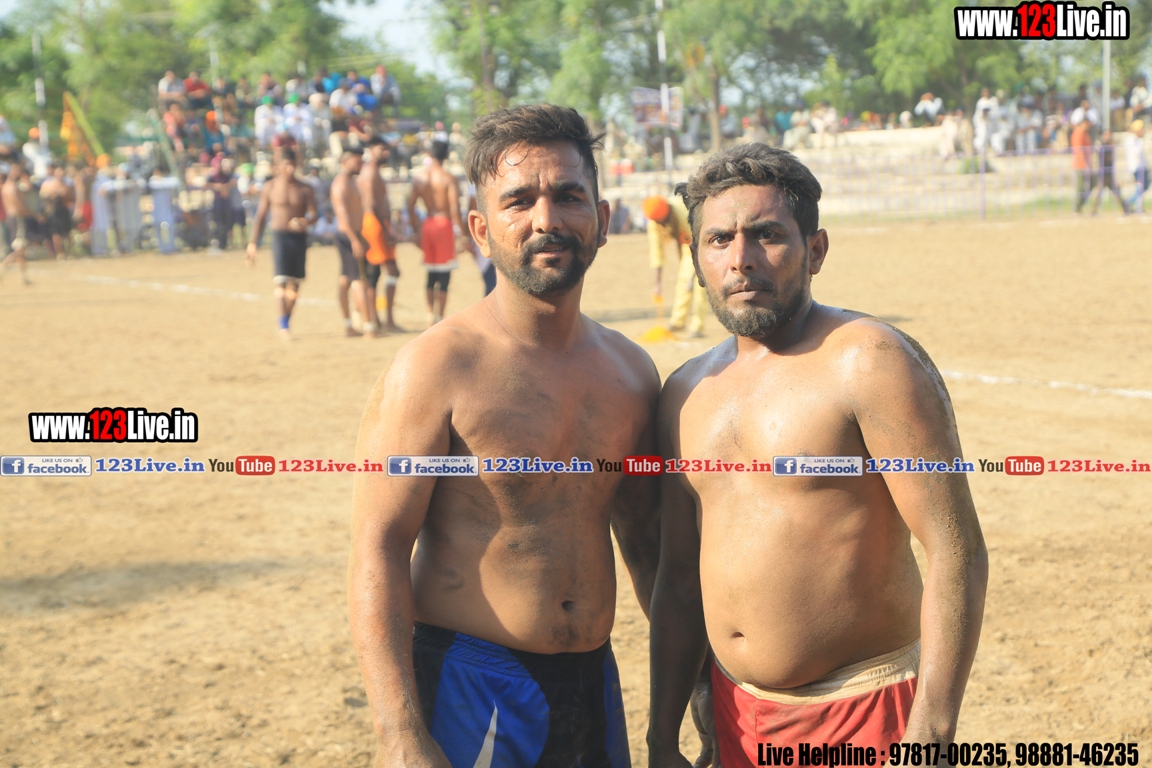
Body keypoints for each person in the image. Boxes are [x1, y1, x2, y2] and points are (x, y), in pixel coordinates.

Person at [647, 143, 988, 765]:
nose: (741, 259)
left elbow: (955, 547)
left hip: (866, 714)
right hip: (737, 716)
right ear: (696, 260)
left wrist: (932, 730)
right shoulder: (684, 393)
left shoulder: (869, 361)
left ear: (817, 250)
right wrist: (662, 734)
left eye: (768, 235)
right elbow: (677, 579)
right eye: (720, 240)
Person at [348, 103, 662, 768]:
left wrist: (689, 684)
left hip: (593, 685)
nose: (546, 219)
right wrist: (399, 734)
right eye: (519, 200)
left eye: (569, 196)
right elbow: (379, 547)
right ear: (480, 230)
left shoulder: (632, 374)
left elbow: (645, 546)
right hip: (472, 687)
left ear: (603, 221)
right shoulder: (436, 367)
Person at [247, 149, 318, 339]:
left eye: (292, 165)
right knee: (281, 281)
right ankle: (284, 326)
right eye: (286, 165)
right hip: (279, 237)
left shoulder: (305, 188)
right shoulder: (270, 187)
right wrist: (253, 243)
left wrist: (304, 221)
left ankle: (286, 319)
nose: (290, 169)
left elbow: (313, 213)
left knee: (295, 286)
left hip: (299, 238)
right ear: (278, 167)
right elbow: (261, 216)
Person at [407, 139, 465, 326]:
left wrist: (415, 229)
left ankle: (430, 313)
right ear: (446, 155)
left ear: (430, 154)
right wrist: (463, 234)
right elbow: (454, 209)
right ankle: (440, 315)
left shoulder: (420, 178)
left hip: (428, 223)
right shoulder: (449, 178)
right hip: (444, 224)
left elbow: (410, 205)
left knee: (431, 273)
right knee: (444, 274)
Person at [644, 194, 708, 337]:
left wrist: (694, 275)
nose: (660, 225)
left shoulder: (683, 212)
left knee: (699, 286)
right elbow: (656, 253)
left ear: (667, 214)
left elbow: (699, 242)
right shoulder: (654, 222)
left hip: (700, 243)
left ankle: (697, 326)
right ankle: (678, 322)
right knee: (683, 282)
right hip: (687, 244)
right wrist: (657, 284)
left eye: (662, 221)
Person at [359, 136, 402, 333]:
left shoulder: (373, 170)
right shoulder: (370, 171)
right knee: (378, 272)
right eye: (381, 149)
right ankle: (381, 320)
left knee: (386, 272)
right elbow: (371, 203)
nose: (385, 152)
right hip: (374, 224)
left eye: (386, 149)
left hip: (378, 223)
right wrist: (385, 230)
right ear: (370, 149)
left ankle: (381, 320)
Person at [330, 148, 372, 337]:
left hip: (353, 234)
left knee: (345, 280)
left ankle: (349, 325)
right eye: (357, 161)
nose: (360, 165)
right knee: (358, 281)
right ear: (346, 162)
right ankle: (368, 326)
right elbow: (342, 214)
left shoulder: (350, 182)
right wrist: (355, 240)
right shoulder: (341, 184)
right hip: (348, 235)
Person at [1, 164, 35, 284]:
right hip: (18, 219)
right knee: (20, 248)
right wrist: (34, 214)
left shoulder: (5, 187)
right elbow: (19, 206)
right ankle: (2, 267)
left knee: (21, 249)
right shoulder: (12, 187)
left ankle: (24, 277)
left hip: (12, 219)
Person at [1089, 131, 1130, 215]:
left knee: (1117, 193)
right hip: (1103, 174)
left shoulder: (1110, 146)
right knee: (1099, 193)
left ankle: (1126, 209)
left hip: (1109, 174)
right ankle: (1093, 211)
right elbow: (1102, 158)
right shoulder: (1102, 146)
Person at [40, 164, 74, 259]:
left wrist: (65, 195)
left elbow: (71, 199)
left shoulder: (66, 186)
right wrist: (50, 195)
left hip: (64, 210)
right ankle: (60, 253)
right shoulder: (47, 184)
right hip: (53, 211)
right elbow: (43, 197)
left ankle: (69, 252)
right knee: (55, 233)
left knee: (67, 233)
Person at [149, 167, 181, 254]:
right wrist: (163, 182)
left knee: (170, 227)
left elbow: (176, 182)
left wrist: (162, 181)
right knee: (157, 228)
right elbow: (154, 184)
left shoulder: (167, 180)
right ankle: (162, 248)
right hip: (156, 210)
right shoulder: (152, 181)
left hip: (167, 209)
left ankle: (171, 247)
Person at [1071, 119, 1094, 213]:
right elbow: (1079, 149)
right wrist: (1086, 164)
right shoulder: (1079, 133)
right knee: (1080, 187)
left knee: (1092, 183)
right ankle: (1077, 208)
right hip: (1080, 165)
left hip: (1085, 164)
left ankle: (1080, 205)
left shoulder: (1085, 133)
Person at [1125, 119, 1147, 214]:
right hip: (1137, 168)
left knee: (1142, 187)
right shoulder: (1132, 139)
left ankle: (1134, 205)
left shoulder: (1136, 139)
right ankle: (1133, 205)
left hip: (1141, 167)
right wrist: (1142, 140)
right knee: (1140, 188)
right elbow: (1137, 152)